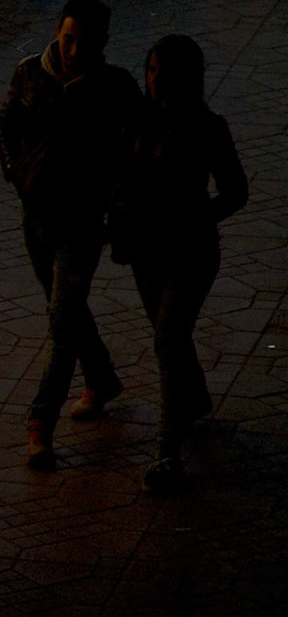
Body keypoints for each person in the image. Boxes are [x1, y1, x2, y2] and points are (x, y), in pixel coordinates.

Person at [0, 0, 141, 471]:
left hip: (82, 223)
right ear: (57, 31)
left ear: (103, 42)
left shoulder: (115, 88)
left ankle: (40, 423)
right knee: (67, 314)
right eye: (68, 39)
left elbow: (135, 147)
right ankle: (101, 379)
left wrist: (119, 201)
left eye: (85, 42)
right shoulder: (30, 73)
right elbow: (5, 125)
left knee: (61, 324)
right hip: (36, 218)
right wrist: (16, 172)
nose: (74, 51)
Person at [108, 35, 247, 492]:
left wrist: (196, 216)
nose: (156, 81)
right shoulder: (136, 121)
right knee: (171, 336)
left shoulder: (207, 127)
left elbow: (235, 191)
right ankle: (195, 398)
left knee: (168, 337)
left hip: (190, 252)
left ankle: (167, 452)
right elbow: (118, 175)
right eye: (151, 71)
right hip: (146, 250)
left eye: (165, 73)